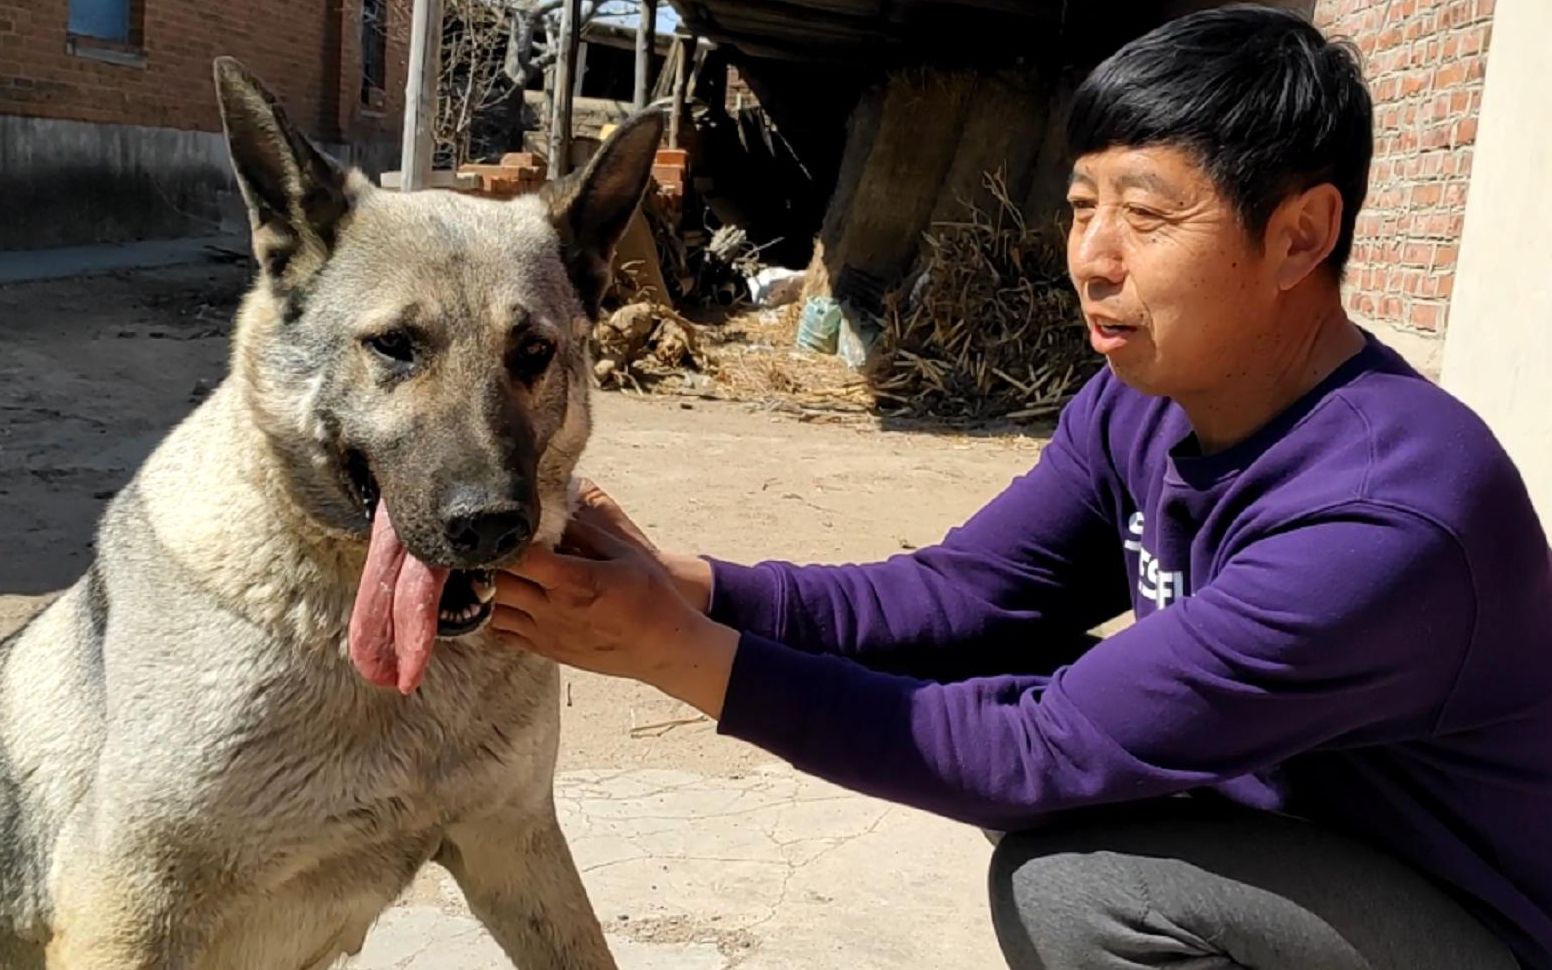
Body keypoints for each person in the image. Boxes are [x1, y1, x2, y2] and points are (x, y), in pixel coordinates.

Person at [491, 6, 1552, 968]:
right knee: (1006, 723)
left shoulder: (1382, 515)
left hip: (1469, 916)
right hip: (1306, 842)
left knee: (1082, 886)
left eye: (1145, 215)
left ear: (1300, 237)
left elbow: (1040, 749)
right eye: (1080, 203)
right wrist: (696, 588)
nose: (1091, 256)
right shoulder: (1143, 397)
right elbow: (966, 598)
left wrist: (679, 657)